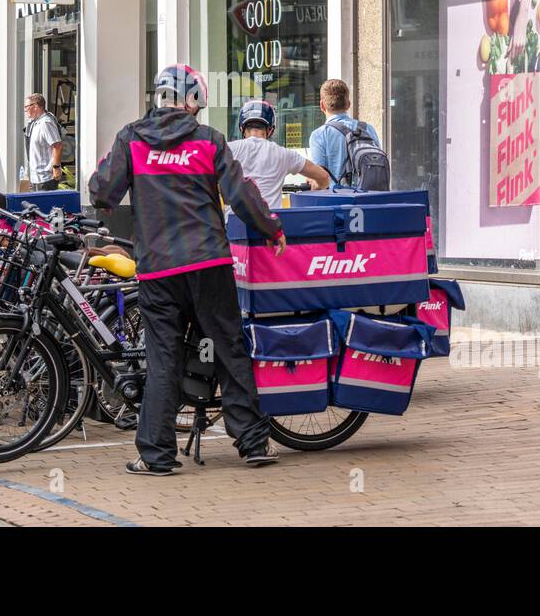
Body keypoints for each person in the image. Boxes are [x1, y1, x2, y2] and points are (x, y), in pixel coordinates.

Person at [90, 64, 288, 476]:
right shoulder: (208, 140)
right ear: (193, 99)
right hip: (208, 263)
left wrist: (105, 197)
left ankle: (157, 455)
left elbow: (103, 190)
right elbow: (242, 194)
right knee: (229, 348)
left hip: (159, 269)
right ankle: (252, 442)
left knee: (163, 359)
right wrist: (271, 229)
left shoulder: (132, 138)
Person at [227, 99, 329, 213]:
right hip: (269, 227)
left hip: (233, 227)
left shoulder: (226, 150)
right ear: (270, 130)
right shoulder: (284, 154)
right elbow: (324, 177)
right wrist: (317, 185)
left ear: (242, 128)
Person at [308, 78, 381, 187]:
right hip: (369, 199)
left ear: (322, 106)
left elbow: (319, 181)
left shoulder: (319, 135)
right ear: (348, 104)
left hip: (337, 201)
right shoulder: (367, 129)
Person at [23, 92, 64, 191]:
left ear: (36, 106)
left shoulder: (46, 123)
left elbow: (57, 145)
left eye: (26, 106)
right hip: (35, 179)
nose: (25, 110)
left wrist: (56, 167)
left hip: (46, 179)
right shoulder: (33, 123)